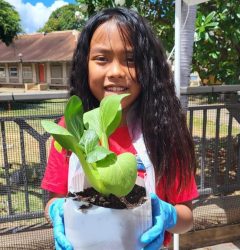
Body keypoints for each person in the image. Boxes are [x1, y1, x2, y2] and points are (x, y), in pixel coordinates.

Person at [41, 6, 198, 250]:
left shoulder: (166, 132)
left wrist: (169, 216)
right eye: (102, 58)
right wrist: (57, 212)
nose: (116, 72)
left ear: (149, 68)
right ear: (85, 64)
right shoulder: (69, 128)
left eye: (132, 60)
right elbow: (53, 200)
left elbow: (187, 217)